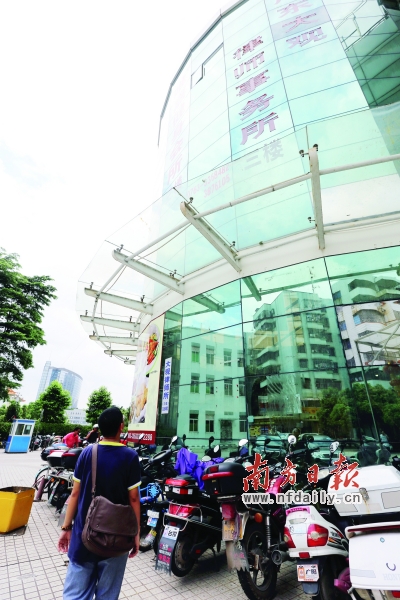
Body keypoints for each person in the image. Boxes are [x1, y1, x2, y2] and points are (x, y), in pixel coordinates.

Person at [58, 407, 141, 600]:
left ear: (100, 429)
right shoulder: (130, 456)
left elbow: (75, 493)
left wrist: (66, 527)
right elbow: (134, 499)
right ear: (121, 427)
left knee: (75, 595)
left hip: (83, 536)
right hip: (116, 539)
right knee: (108, 595)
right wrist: (136, 533)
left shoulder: (87, 452)